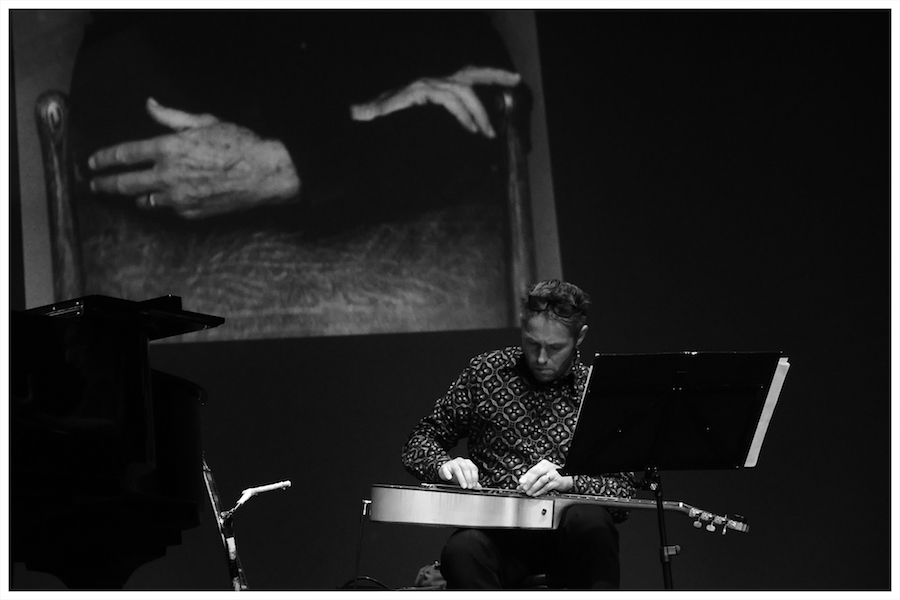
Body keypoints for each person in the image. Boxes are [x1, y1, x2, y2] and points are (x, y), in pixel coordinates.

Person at [68, 10, 522, 222]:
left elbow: (495, 103)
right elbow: (118, 132)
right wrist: (367, 116)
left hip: (402, 310)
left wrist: (283, 164)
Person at [401, 280, 636, 590]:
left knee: (591, 522)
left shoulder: (596, 391)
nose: (541, 358)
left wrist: (570, 482)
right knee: (462, 550)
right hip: (499, 535)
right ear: (523, 327)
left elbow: (623, 492)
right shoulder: (486, 373)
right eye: (532, 343)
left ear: (579, 337)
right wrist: (444, 466)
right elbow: (420, 440)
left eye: (555, 348)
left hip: (571, 536)